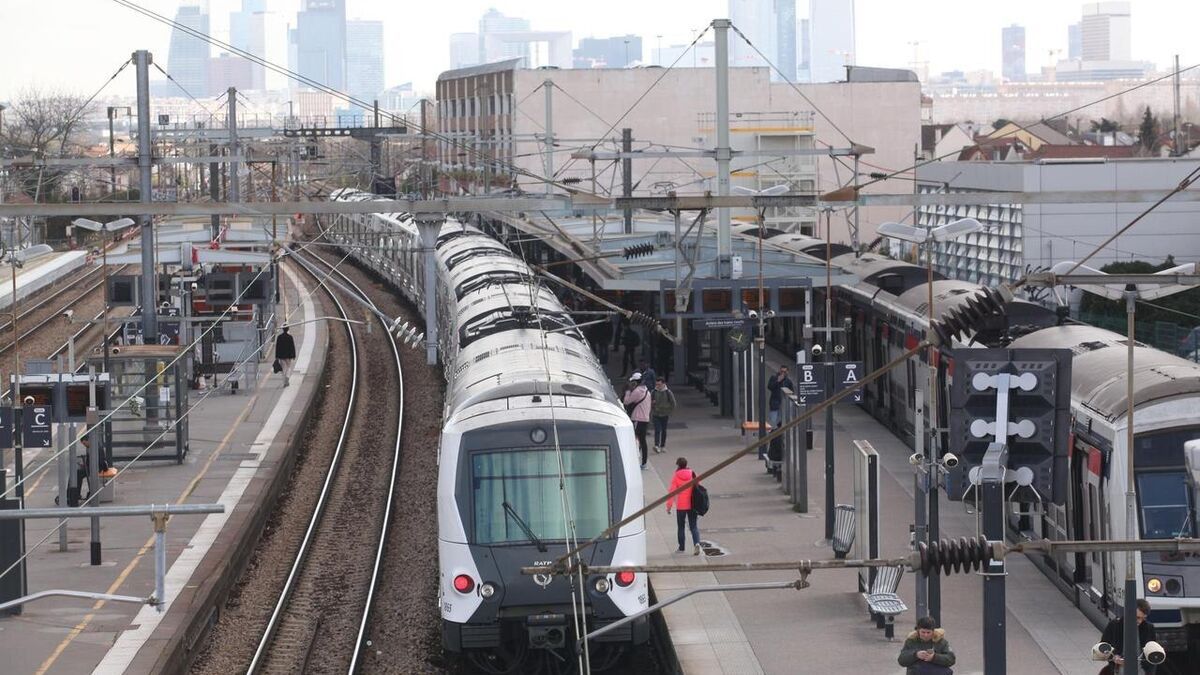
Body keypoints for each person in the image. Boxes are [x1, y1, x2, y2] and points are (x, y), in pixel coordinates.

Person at [1100, 599, 1157, 674]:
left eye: (1143, 618)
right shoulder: (1114, 625)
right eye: (1137, 617)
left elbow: (1153, 652)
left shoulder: (1149, 628)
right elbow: (1103, 646)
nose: (1139, 621)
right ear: (1129, 613)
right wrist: (1113, 657)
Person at [666, 457, 702, 556]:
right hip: (692, 504)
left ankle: (681, 548)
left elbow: (672, 492)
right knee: (693, 526)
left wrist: (669, 506)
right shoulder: (693, 473)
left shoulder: (676, 476)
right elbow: (698, 486)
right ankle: (697, 543)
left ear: (678, 465)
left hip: (681, 506)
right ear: (686, 464)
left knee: (681, 527)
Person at [623, 373, 652, 468]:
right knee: (643, 441)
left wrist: (628, 391)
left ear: (635, 382)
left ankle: (633, 460)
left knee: (634, 440)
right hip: (645, 419)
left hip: (637, 418)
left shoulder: (637, 391)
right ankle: (644, 463)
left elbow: (626, 401)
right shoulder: (647, 391)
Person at [651, 377, 676, 453]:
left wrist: (669, 411)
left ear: (663, 384)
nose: (658, 386)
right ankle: (656, 445)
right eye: (657, 384)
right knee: (657, 430)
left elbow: (673, 403)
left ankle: (662, 445)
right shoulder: (653, 392)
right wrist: (652, 404)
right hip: (656, 414)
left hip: (665, 414)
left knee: (664, 430)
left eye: (659, 384)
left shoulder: (668, 392)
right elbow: (649, 401)